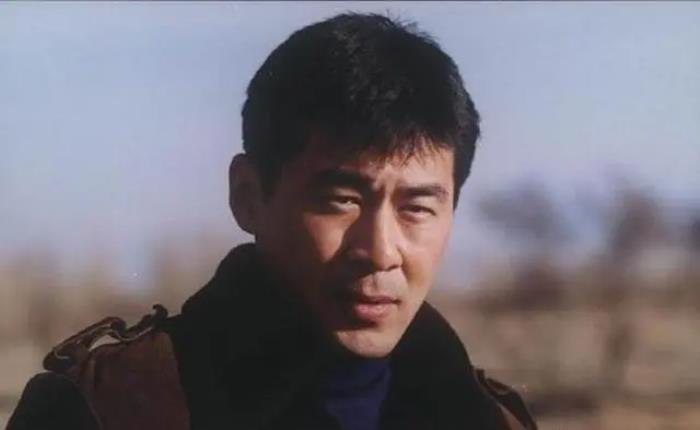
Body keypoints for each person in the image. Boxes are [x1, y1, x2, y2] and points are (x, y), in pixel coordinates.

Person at [7, 13, 537, 430]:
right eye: (341, 200)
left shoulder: (489, 419)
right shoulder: (110, 409)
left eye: (416, 208)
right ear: (248, 196)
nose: (379, 251)